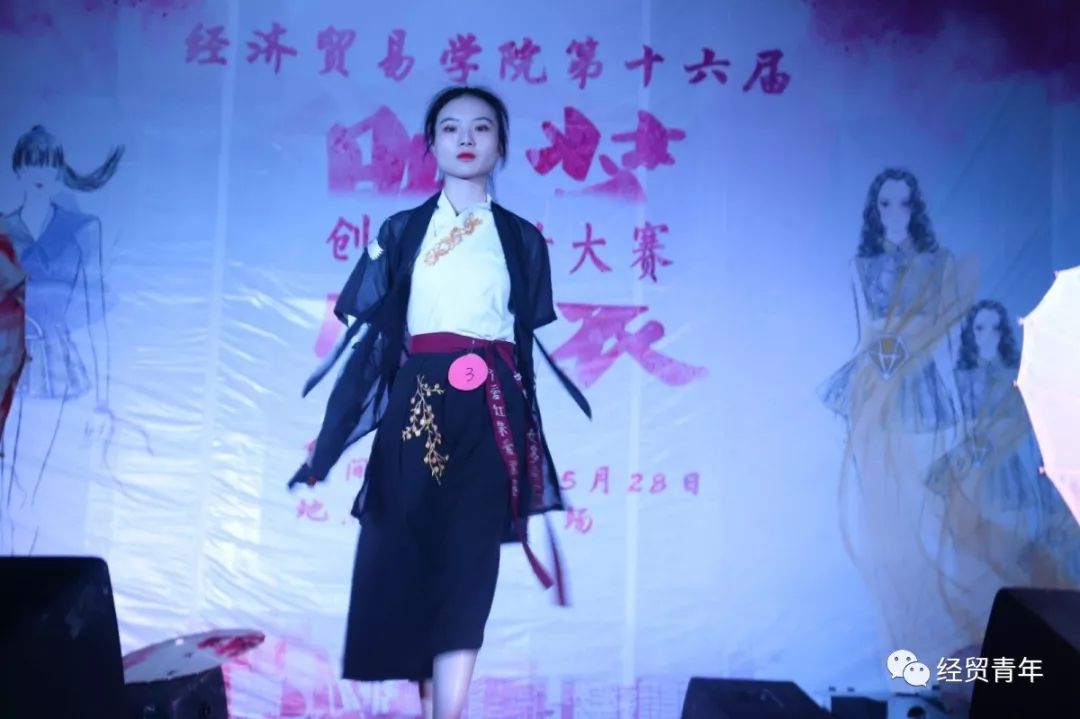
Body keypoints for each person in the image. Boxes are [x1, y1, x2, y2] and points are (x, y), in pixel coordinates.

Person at [288, 86, 590, 719]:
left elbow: (524, 342)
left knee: (468, 560)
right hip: (418, 402)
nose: (466, 139)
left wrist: (529, 433)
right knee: (411, 553)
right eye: (451, 128)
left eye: (482, 128)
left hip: (492, 406)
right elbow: (375, 346)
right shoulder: (402, 232)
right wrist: (331, 439)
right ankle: (429, 704)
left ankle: (449, 714)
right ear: (431, 144)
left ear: (501, 145)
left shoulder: (521, 239)